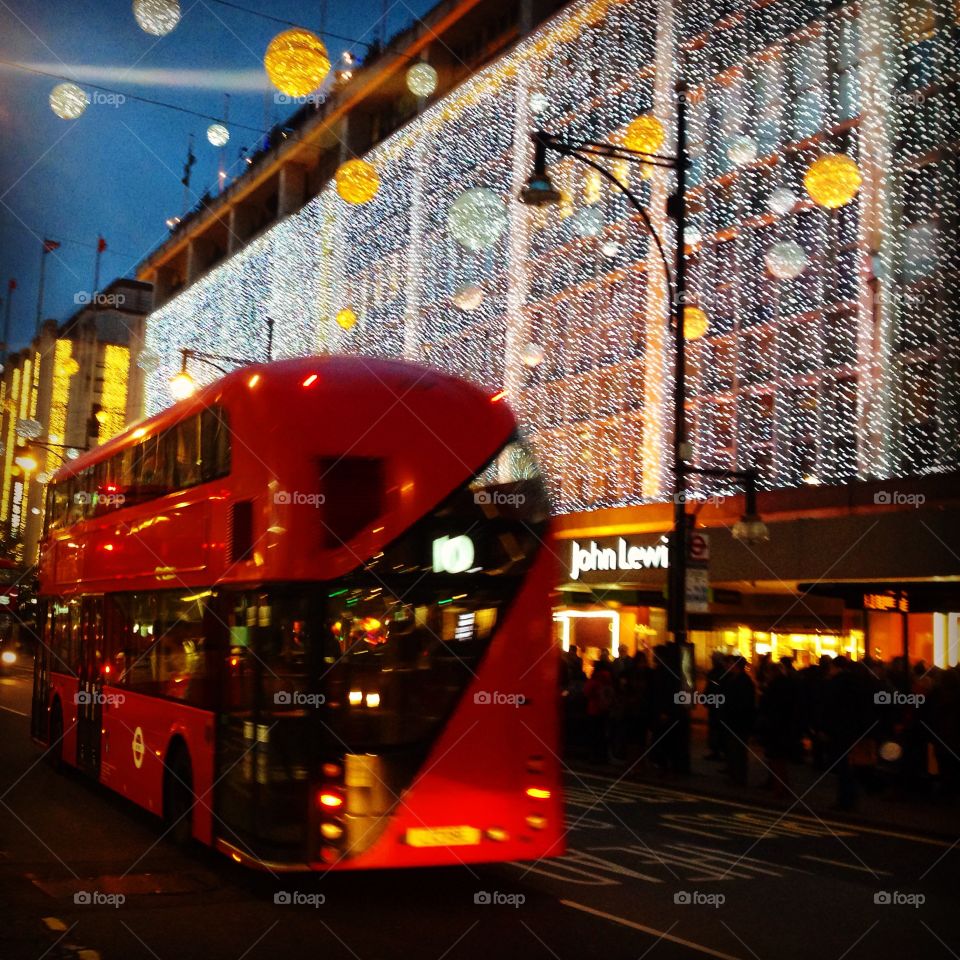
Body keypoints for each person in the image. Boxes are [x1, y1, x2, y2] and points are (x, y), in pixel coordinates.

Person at [720, 657, 755, 786]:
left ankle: (739, 778)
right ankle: (734, 776)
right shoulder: (733, 679)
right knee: (733, 750)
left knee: (738, 751)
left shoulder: (743, 681)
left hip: (738, 722)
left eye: (729, 663)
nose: (727, 666)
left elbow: (744, 704)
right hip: (733, 720)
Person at [583, 657, 614, 764]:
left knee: (594, 733)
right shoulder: (608, 677)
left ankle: (594, 756)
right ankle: (603, 756)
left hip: (593, 709)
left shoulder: (595, 678)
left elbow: (586, 692)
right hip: (605, 709)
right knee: (603, 733)